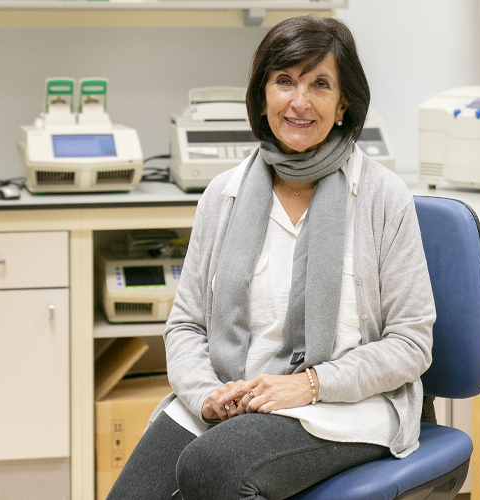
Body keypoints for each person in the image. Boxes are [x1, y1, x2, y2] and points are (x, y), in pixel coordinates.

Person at [106, 15, 435, 500]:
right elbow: (185, 327)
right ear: (263, 96)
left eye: (319, 84)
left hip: (339, 405)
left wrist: (310, 384)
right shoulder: (225, 196)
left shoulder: (382, 198)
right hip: (231, 398)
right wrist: (206, 396)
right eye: (284, 82)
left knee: (215, 467)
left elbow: (411, 342)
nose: (299, 101)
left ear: (343, 104)